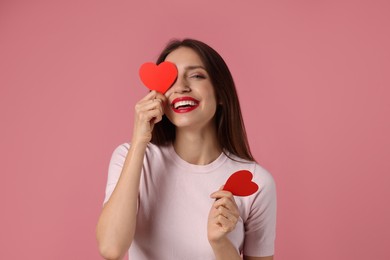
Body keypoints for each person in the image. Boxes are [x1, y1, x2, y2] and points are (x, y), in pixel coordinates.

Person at [96, 39, 276, 260]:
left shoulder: (257, 182)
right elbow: (110, 248)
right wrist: (139, 140)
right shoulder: (130, 157)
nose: (180, 87)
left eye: (196, 75)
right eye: (170, 79)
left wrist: (221, 244)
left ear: (220, 93)